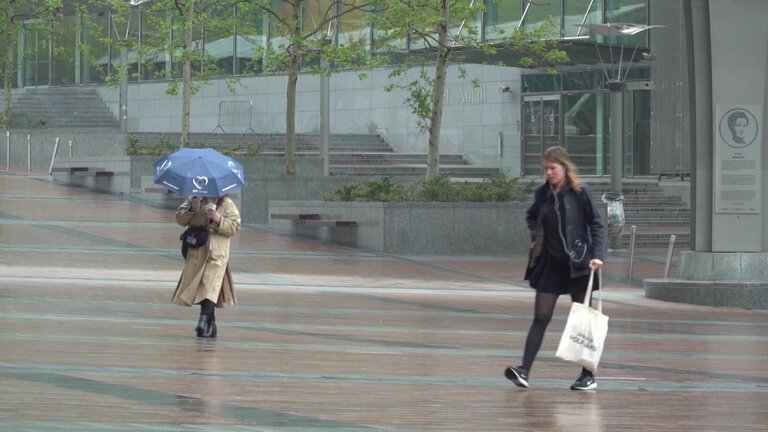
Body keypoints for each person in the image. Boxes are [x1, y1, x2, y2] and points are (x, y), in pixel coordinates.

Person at [505, 146, 605, 390]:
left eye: (553, 168)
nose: (548, 173)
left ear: (564, 167)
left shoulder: (580, 193)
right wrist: (536, 236)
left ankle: (587, 375)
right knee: (541, 317)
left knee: (583, 321)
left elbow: (597, 224)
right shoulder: (543, 194)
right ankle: (524, 371)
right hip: (550, 265)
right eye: (545, 169)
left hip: (578, 264)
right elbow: (531, 217)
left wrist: (597, 255)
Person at [172, 194, 241, 338]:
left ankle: (203, 320)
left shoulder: (226, 203)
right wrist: (192, 209)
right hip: (197, 249)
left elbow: (235, 226)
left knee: (210, 285)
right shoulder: (194, 199)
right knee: (204, 286)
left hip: (217, 252)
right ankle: (212, 324)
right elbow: (180, 219)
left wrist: (219, 220)